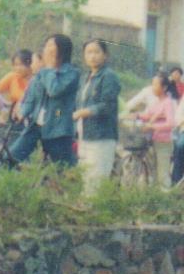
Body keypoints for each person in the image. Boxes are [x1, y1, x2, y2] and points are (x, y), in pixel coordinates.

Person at [9, 34, 78, 168]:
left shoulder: (71, 73)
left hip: (58, 130)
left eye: (51, 45)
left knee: (61, 170)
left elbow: (54, 90)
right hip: (36, 126)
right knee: (11, 157)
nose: (46, 49)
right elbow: (31, 97)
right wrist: (22, 112)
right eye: (46, 45)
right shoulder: (42, 73)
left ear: (61, 49)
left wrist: (50, 67)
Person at [72, 39, 121, 194]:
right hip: (84, 136)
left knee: (96, 185)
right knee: (85, 183)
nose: (92, 56)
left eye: (96, 52)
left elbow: (107, 105)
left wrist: (82, 113)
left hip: (102, 137)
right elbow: (76, 104)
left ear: (105, 55)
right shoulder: (85, 77)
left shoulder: (109, 76)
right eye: (89, 52)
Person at [135, 72, 178, 188]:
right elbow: (147, 115)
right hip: (152, 140)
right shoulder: (156, 102)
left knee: (162, 173)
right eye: (152, 84)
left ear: (164, 88)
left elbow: (170, 123)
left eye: (155, 85)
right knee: (153, 173)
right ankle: (154, 199)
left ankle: (164, 200)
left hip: (163, 142)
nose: (152, 87)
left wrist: (152, 126)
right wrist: (135, 115)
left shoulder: (168, 103)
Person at [0, 49, 36, 121]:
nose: (18, 68)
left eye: (21, 65)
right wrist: (5, 107)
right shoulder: (12, 77)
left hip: (32, 116)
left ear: (30, 64)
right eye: (15, 65)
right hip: (15, 117)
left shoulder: (37, 80)